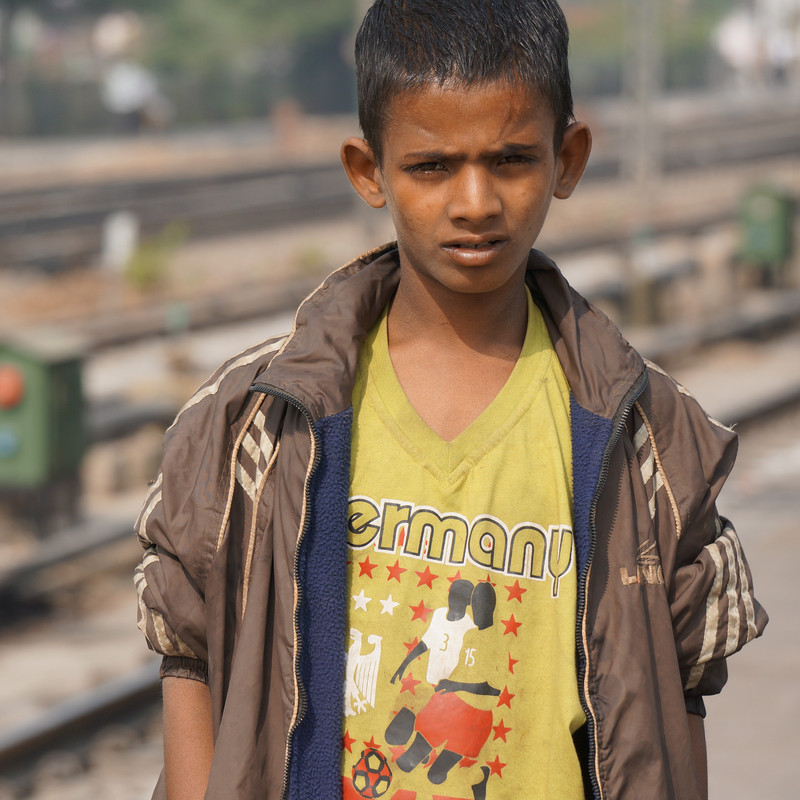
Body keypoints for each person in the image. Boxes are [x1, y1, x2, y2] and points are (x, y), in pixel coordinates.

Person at [133, 2, 768, 799]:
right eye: (432, 166)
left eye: (510, 160)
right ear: (369, 171)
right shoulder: (251, 424)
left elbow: (677, 707)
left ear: (567, 158)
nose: (475, 201)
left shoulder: (649, 441)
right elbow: (188, 655)